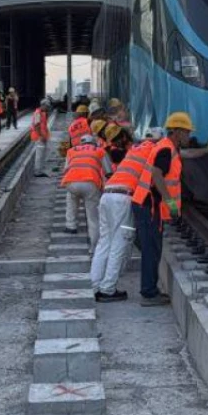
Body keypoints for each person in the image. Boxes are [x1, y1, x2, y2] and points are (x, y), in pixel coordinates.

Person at [131, 112, 191, 307]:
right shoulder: (166, 150)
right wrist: (172, 204)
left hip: (147, 204)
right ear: (178, 132)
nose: (189, 136)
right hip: (149, 206)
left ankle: (151, 290)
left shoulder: (169, 148)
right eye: (187, 132)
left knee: (152, 248)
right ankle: (149, 293)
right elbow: (157, 175)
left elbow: (189, 154)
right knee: (151, 250)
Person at [91, 127, 152, 302]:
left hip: (107, 195)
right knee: (120, 243)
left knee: (104, 242)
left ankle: (94, 285)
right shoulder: (153, 151)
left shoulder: (134, 152)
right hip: (122, 199)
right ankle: (108, 289)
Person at [61, 134, 113, 245]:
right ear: (93, 142)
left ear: (81, 143)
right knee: (92, 214)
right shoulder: (99, 150)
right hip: (90, 182)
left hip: (71, 182)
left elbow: (66, 169)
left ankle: (71, 225)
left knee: (71, 197)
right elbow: (108, 171)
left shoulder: (71, 150)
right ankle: (94, 240)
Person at [30, 98, 52, 177]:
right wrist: (41, 136)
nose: (47, 108)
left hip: (42, 136)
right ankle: (37, 171)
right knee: (39, 154)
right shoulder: (37, 113)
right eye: (46, 106)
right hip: (39, 137)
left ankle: (40, 170)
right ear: (43, 105)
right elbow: (37, 126)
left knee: (42, 154)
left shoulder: (42, 113)